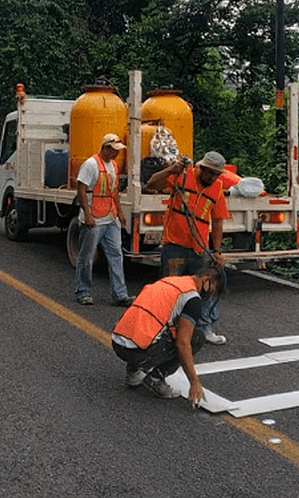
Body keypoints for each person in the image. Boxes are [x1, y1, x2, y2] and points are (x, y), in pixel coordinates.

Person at [145, 151, 230, 345]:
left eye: (217, 175)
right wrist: (170, 170)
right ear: (202, 168)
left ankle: (204, 328)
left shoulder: (217, 188)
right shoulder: (182, 176)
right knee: (169, 290)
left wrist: (216, 251)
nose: (213, 178)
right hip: (175, 246)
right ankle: (163, 329)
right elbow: (151, 184)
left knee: (204, 290)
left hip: (199, 250)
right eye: (210, 173)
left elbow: (217, 221)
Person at [111, 264, 226, 404]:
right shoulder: (192, 298)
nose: (210, 295)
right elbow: (183, 343)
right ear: (206, 280)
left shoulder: (172, 281)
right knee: (196, 338)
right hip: (136, 350)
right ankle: (155, 379)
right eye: (213, 290)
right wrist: (194, 382)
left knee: (157, 328)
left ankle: (134, 371)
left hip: (118, 341)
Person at [74, 133, 134, 307]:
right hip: (94, 217)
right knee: (87, 256)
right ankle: (83, 291)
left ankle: (120, 294)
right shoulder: (91, 164)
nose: (117, 154)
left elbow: (113, 191)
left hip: (110, 216)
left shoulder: (113, 165)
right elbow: (82, 189)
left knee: (116, 254)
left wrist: (120, 213)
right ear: (106, 148)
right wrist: (87, 214)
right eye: (114, 151)